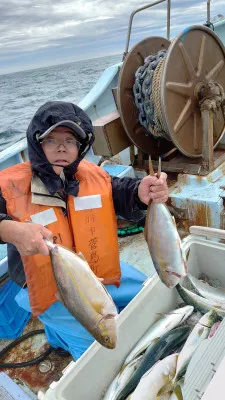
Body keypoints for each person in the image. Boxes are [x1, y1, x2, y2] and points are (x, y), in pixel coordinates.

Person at [0, 101, 169, 359]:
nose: (61, 147)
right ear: (37, 143)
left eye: (70, 141)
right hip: (50, 285)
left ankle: (56, 334)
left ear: (80, 147)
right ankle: (64, 333)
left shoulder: (91, 175)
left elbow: (120, 191)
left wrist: (139, 192)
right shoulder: (10, 185)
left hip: (94, 269)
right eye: (51, 140)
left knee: (150, 293)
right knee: (96, 351)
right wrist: (10, 230)